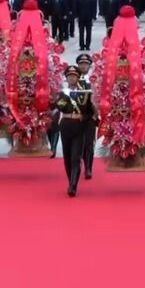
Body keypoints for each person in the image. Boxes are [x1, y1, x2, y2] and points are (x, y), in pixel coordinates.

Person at [54, 65, 95, 196]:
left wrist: (85, 119)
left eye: (74, 76)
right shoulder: (62, 93)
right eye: (69, 76)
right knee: (67, 157)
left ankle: (73, 185)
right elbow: (61, 107)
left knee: (76, 157)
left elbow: (89, 111)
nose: (72, 78)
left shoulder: (85, 93)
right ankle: (70, 179)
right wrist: (67, 94)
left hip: (79, 126)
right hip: (66, 125)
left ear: (78, 78)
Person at [77, 54, 97, 179]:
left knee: (89, 143)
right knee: (78, 143)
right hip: (76, 117)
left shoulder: (94, 79)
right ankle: (77, 165)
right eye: (81, 64)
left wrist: (97, 115)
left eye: (86, 64)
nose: (83, 66)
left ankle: (88, 167)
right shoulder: (73, 78)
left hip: (90, 116)